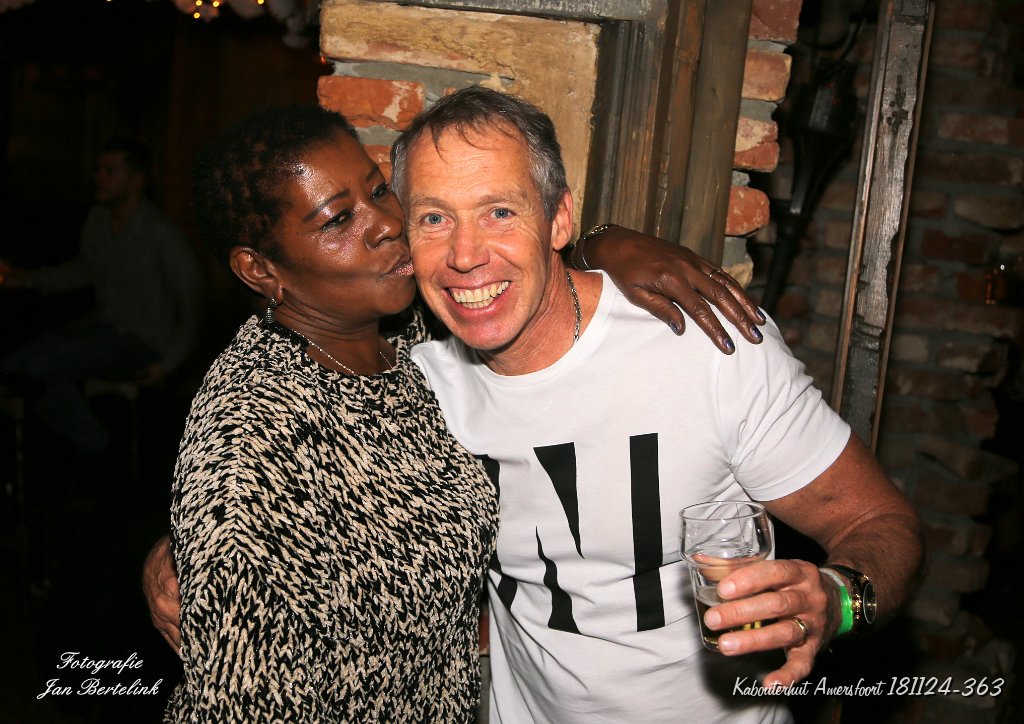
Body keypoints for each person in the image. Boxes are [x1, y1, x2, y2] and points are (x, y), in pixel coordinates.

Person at [149, 103, 764, 722]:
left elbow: (506, 268)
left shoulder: (403, 328)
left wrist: (606, 245)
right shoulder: (255, 431)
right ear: (259, 269)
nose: (387, 225)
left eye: (379, 191)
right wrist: (197, 537)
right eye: (338, 219)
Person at [387, 86, 924, 722]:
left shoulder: (705, 347)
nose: (465, 254)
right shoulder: (414, 385)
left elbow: (878, 521)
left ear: (559, 219)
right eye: (434, 219)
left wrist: (838, 601)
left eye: (499, 212)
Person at [1, 137, 202, 451]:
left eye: (110, 171)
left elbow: (192, 301)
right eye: (99, 169)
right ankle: (61, 440)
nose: (99, 177)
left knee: (40, 367)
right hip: (103, 329)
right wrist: (29, 279)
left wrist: (169, 363)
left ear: (136, 180)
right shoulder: (98, 220)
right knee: (14, 364)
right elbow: (85, 269)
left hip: (141, 341)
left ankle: (92, 442)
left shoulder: (161, 233)